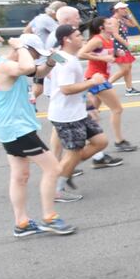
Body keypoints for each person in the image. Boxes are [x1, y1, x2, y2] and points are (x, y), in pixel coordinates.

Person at [0, 35, 74, 236]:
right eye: (35, 53)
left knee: (20, 176)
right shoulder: (5, 65)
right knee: (53, 168)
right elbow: (29, 69)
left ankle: (21, 223)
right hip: (17, 129)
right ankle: (50, 217)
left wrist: (50, 61)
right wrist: (20, 46)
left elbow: (37, 70)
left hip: (14, 128)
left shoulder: (14, 64)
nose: (37, 58)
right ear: (24, 49)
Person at [48, 22, 112, 202]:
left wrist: (87, 100)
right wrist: (93, 82)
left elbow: (52, 63)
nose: (82, 38)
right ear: (66, 39)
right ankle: (57, 189)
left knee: (100, 141)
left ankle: (65, 170)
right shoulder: (66, 61)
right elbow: (66, 89)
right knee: (74, 152)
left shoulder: (63, 56)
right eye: (78, 36)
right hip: (66, 116)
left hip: (77, 112)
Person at [77, 14, 137, 152]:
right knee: (117, 109)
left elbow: (104, 54)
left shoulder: (108, 39)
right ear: (101, 28)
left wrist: (116, 53)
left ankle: (89, 142)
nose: (113, 24)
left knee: (94, 113)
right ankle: (119, 141)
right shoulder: (97, 39)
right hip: (96, 78)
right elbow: (81, 54)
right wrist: (104, 58)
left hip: (99, 77)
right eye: (109, 23)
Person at [108, 3, 140, 96]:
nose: (126, 10)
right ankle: (105, 85)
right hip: (117, 46)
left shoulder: (122, 19)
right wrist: (128, 45)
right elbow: (115, 35)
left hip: (123, 46)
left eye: (126, 8)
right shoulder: (114, 20)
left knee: (128, 68)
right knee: (125, 69)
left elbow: (134, 24)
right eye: (123, 9)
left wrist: (129, 16)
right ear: (117, 10)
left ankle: (129, 89)